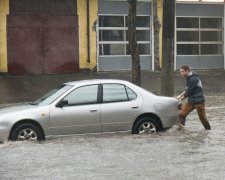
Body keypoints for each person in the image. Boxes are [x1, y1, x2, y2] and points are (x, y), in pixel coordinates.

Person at [176, 65, 211, 130]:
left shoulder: (193, 79)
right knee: (181, 115)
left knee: (203, 119)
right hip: (191, 101)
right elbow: (186, 89)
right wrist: (180, 96)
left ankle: (208, 131)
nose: (181, 73)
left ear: (187, 71)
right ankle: (180, 129)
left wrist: (180, 99)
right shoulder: (189, 78)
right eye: (180, 72)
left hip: (199, 102)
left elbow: (188, 92)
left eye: (182, 72)